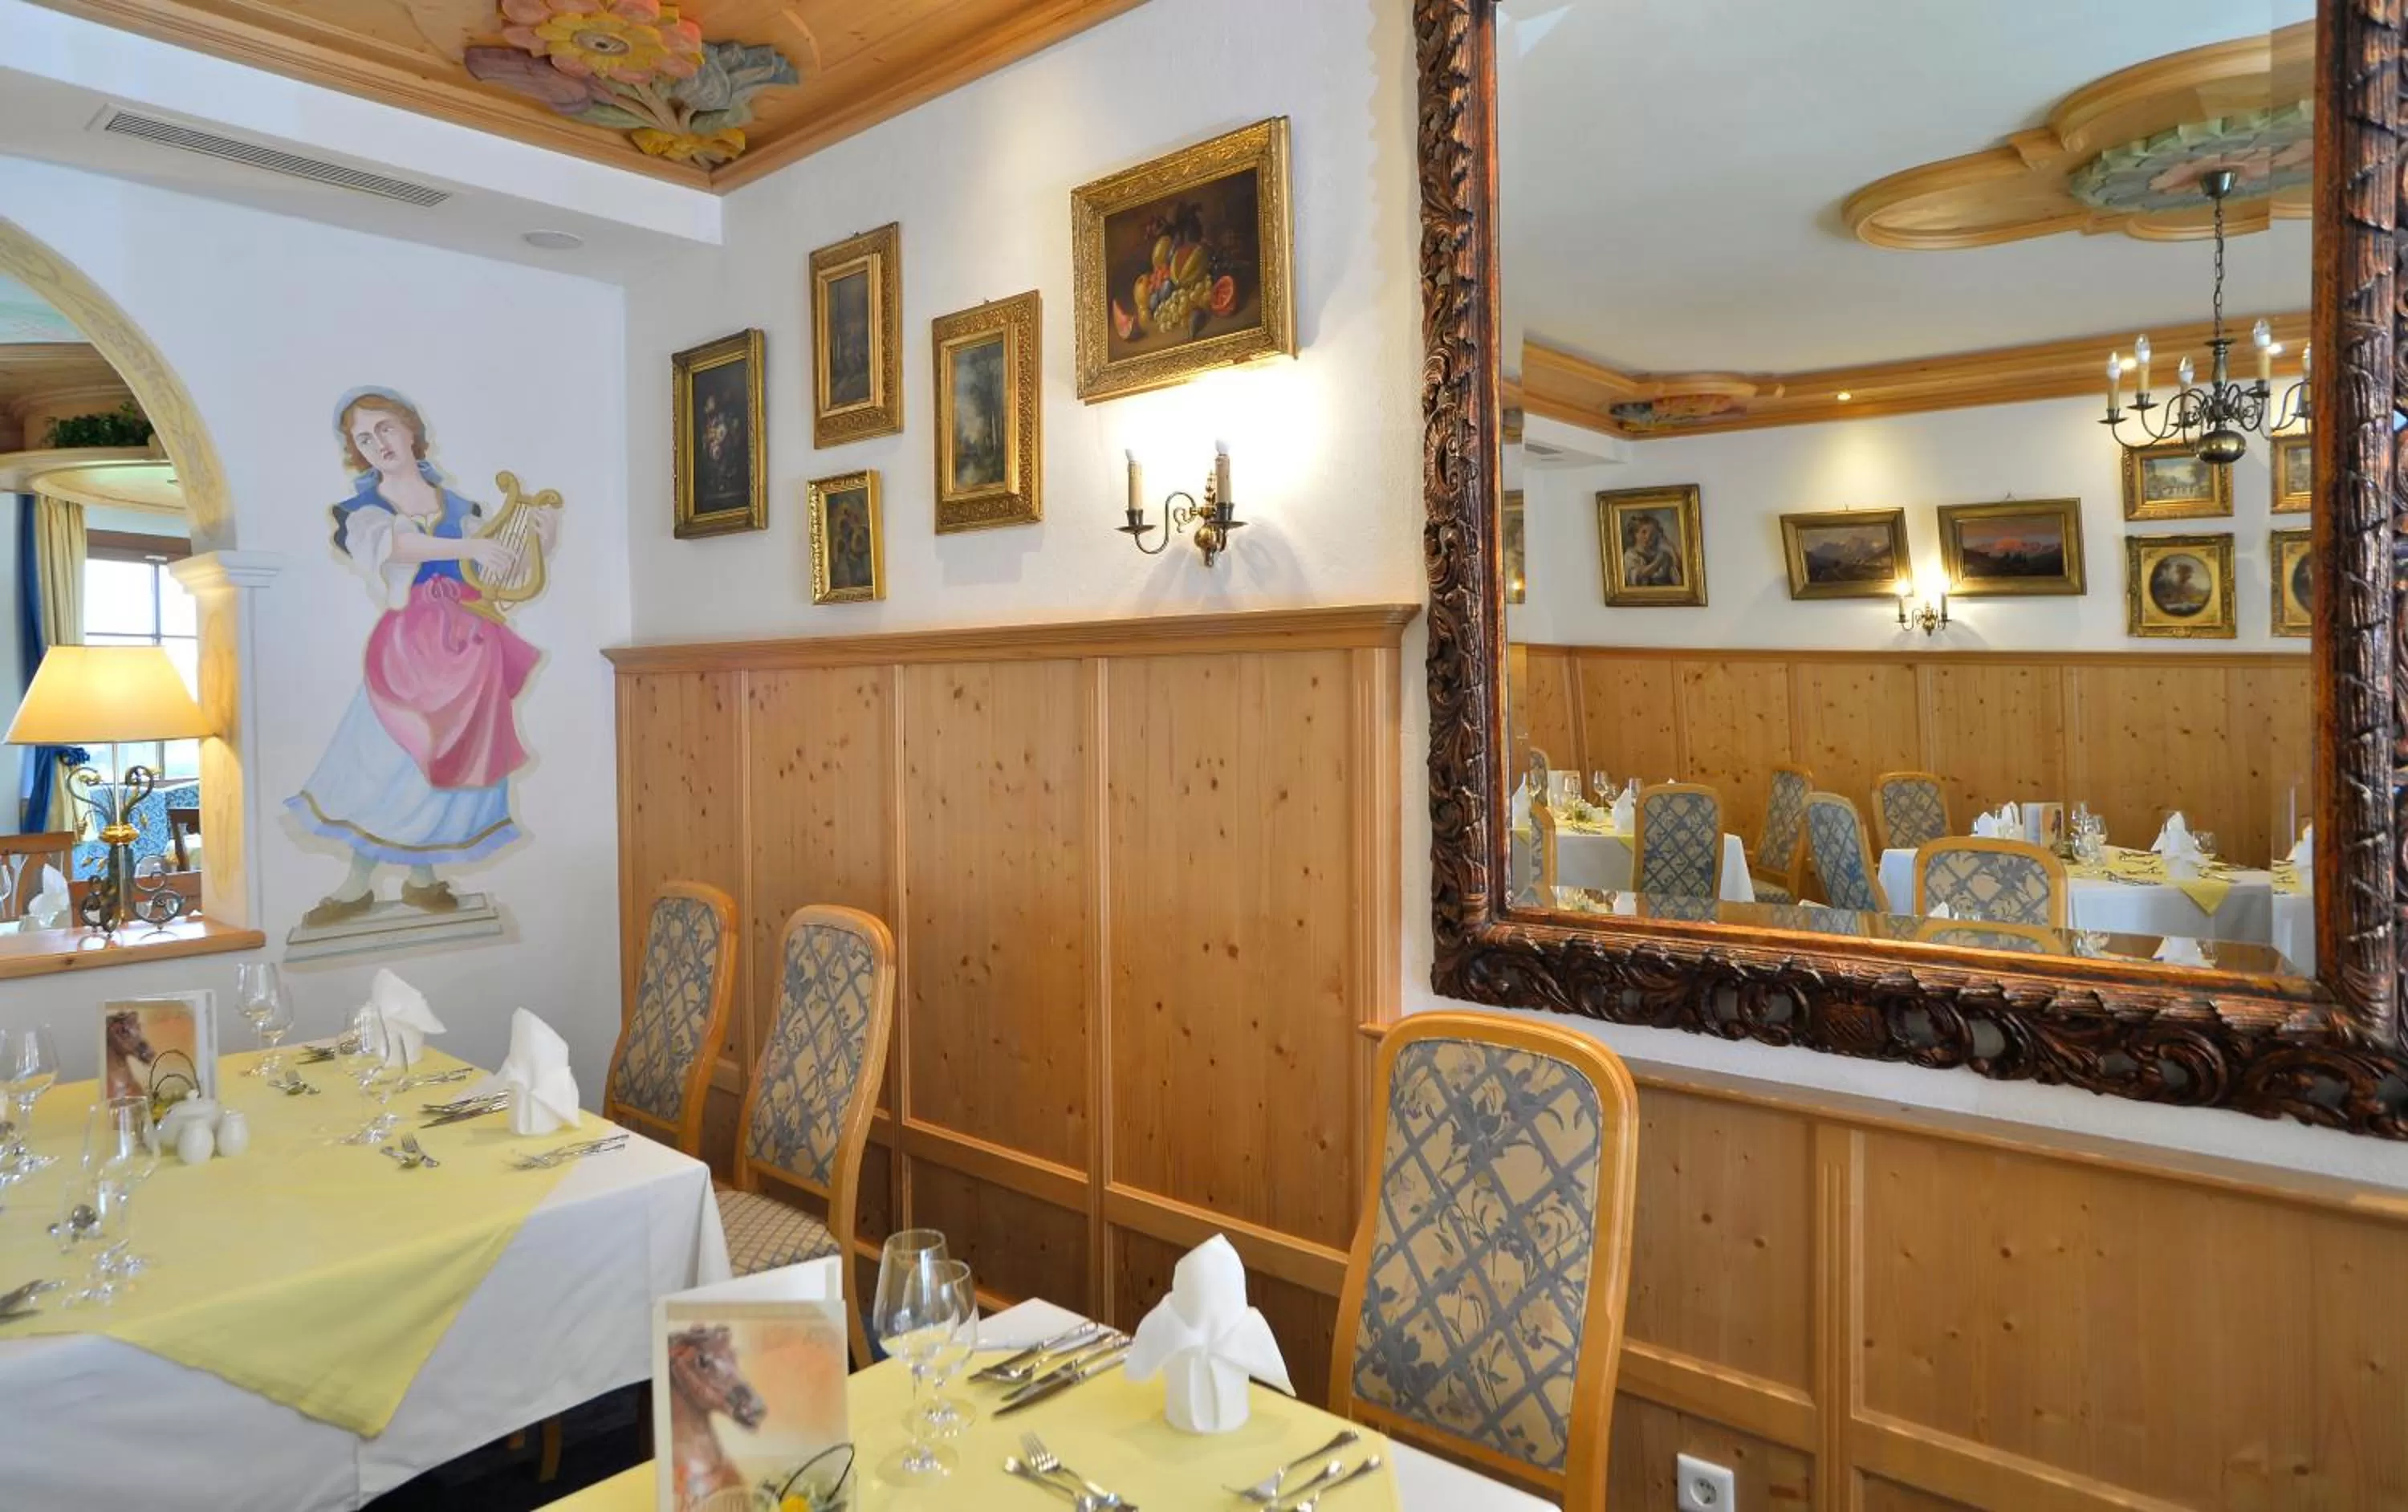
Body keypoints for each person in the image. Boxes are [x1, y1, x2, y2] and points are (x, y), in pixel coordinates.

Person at [288, 389, 557, 926]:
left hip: (469, 647)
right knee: (387, 757)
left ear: (411, 430)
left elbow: (498, 574)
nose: (377, 443)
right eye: (364, 439)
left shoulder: (464, 511)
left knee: (450, 761)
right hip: (408, 648)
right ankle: (358, 881)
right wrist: (469, 549)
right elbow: (395, 548)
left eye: (384, 428)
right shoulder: (361, 510)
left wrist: (541, 541)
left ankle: (422, 878)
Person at [1622, 513, 1680, 587]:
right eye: (1643, 532)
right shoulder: (1630, 555)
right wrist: (1658, 561)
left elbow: (1677, 582)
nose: (1648, 537)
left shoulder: (1661, 553)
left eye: (1652, 534)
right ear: (1635, 534)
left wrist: (1672, 551)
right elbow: (1639, 576)